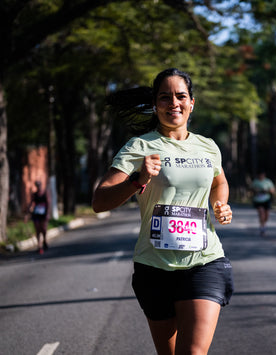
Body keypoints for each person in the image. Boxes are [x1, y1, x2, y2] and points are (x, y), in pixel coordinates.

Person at [92, 68, 234, 355]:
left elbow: (220, 183)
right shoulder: (140, 146)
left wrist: (220, 204)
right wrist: (137, 180)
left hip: (204, 260)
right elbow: (99, 201)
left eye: (181, 96)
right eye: (165, 97)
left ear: (192, 102)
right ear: (155, 104)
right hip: (154, 267)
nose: (174, 103)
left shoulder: (208, 147)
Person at [250, 171, 276, 237]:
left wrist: (267, 191)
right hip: (258, 200)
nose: (261, 176)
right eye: (260, 174)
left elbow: (273, 190)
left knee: (266, 215)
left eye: (262, 174)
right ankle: (262, 228)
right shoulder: (255, 182)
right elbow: (251, 190)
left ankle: (263, 224)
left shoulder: (268, 181)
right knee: (261, 213)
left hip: (266, 200)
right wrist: (256, 190)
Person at [28, 180, 50, 254]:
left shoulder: (45, 193)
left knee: (43, 229)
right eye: (37, 185)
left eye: (39, 185)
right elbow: (31, 203)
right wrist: (28, 212)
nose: (38, 187)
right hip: (36, 213)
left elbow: (48, 203)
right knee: (37, 229)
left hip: (44, 214)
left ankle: (45, 241)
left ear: (41, 185)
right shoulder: (34, 194)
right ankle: (39, 246)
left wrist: (47, 213)